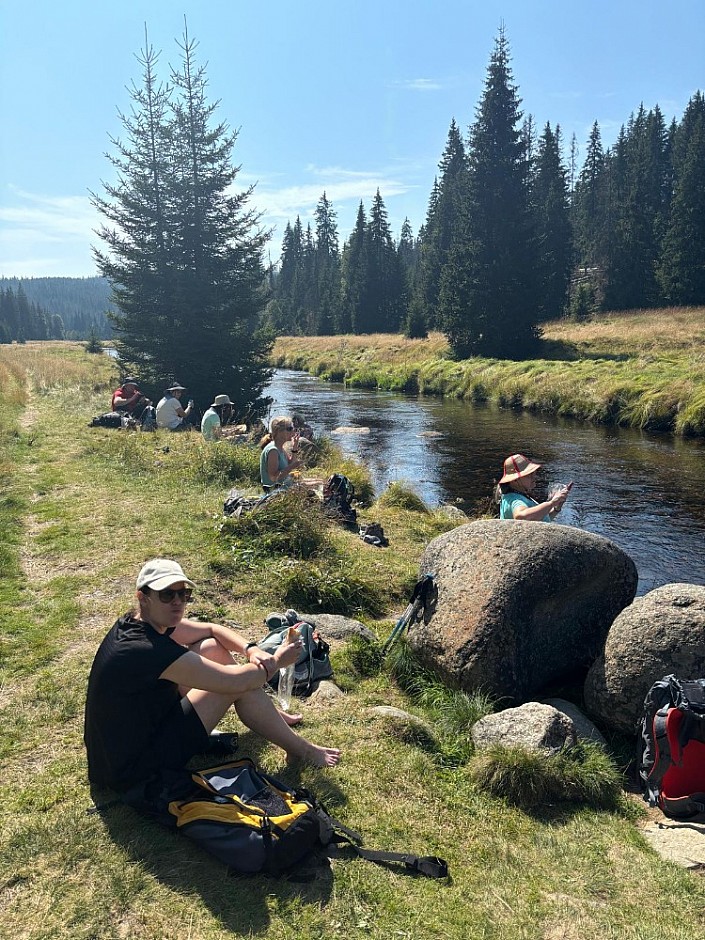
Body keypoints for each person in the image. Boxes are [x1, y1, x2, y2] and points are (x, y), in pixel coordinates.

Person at [84, 558, 341, 798]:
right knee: (239, 685)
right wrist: (276, 661)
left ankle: (271, 718)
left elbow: (211, 629)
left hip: (117, 753)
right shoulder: (148, 650)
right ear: (143, 597)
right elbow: (235, 682)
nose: (177, 602)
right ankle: (302, 750)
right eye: (167, 594)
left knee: (210, 647)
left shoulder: (137, 622)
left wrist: (251, 649)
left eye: (183, 594)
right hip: (134, 770)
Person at [495, 453, 571, 522]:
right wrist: (552, 502)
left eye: (533, 474)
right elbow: (521, 517)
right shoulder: (515, 499)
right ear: (515, 480)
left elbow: (540, 519)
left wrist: (556, 508)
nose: (534, 477)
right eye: (529, 475)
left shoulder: (517, 495)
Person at [260, 415, 303, 490]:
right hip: (274, 491)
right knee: (317, 485)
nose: (293, 431)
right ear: (279, 432)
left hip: (284, 486)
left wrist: (294, 447)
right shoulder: (273, 450)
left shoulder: (280, 447)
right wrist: (291, 467)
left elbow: (291, 463)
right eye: (290, 429)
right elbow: (273, 477)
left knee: (320, 482)